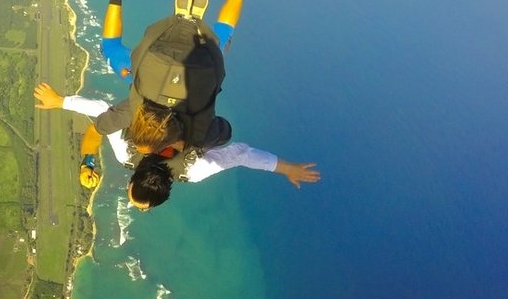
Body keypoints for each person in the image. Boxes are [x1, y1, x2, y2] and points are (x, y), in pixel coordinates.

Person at [34, 83, 320, 210]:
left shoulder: (192, 172)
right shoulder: (126, 154)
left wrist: (285, 168)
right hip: (157, 94)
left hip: (195, 101)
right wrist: (60, 102)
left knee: (219, 133)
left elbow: (241, 154)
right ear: (132, 179)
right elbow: (101, 113)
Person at [100, 0, 258, 152]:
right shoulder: (133, 110)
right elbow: (100, 127)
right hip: (159, 59)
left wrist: (188, 143)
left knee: (223, 33)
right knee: (110, 47)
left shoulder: (197, 135)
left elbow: (225, 131)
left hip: (202, 61)